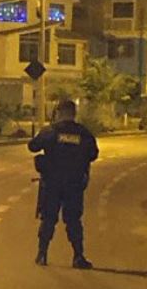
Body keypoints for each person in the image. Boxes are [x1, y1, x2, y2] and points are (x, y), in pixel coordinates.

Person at [28, 98, 99, 269]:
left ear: (58, 113)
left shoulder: (50, 131)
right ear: (74, 114)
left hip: (51, 183)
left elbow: (33, 147)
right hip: (74, 185)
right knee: (74, 220)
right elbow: (93, 154)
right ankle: (78, 256)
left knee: (48, 219)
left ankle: (42, 253)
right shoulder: (83, 133)